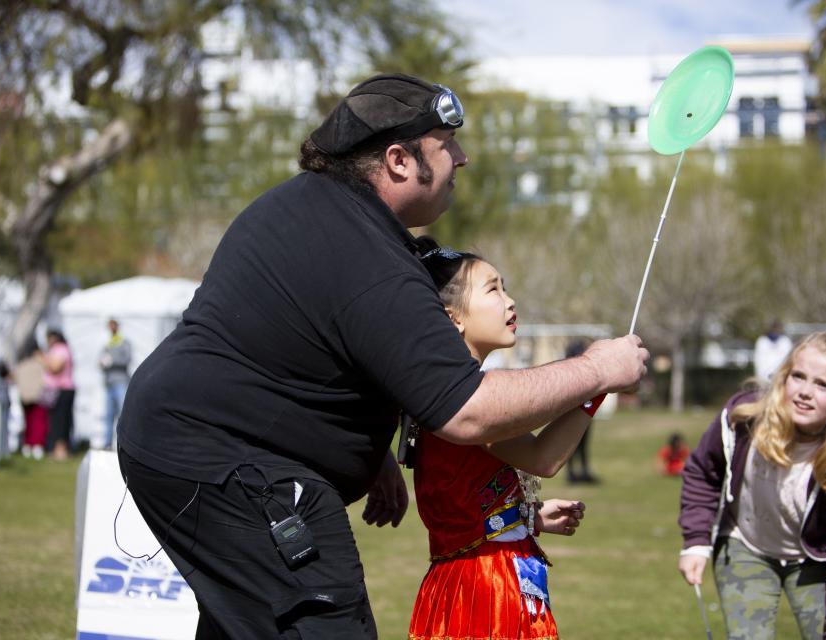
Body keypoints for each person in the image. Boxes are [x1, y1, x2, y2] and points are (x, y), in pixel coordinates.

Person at [117, 73, 649, 639]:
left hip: (192, 446)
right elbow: (468, 410)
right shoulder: (364, 250)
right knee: (326, 623)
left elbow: (310, 350)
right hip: (228, 459)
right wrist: (598, 368)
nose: (462, 159)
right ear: (399, 160)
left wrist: (373, 456)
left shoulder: (325, 215)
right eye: (448, 145)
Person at [408, 238, 589, 639]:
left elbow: (465, 505)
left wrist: (527, 517)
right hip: (481, 590)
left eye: (505, 287)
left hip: (482, 574)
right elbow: (544, 458)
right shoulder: (467, 400)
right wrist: (596, 384)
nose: (510, 301)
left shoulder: (449, 391)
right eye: (493, 289)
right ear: (452, 317)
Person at [678, 332, 826, 639]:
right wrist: (695, 541)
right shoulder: (743, 419)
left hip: (813, 561)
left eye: (823, 384)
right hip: (745, 546)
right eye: (799, 376)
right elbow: (702, 472)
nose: (806, 391)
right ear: (783, 376)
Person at [564, 338, 600, 484]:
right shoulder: (567, 371)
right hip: (571, 412)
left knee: (583, 444)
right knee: (571, 445)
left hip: (583, 411)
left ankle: (583, 472)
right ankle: (572, 473)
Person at [39, 329, 75, 461]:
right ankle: (55, 448)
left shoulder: (61, 349)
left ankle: (61, 450)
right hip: (57, 390)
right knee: (55, 421)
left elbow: (55, 368)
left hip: (62, 390)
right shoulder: (58, 349)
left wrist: (42, 359)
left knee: (60, 421)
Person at [98, 318, 131, 450]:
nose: (111, 328)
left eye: (113, 325)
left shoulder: (124, 342)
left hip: (121, 382)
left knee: (123, 414)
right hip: (109, 384)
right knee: (108, 415)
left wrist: (112, 362)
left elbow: (127, 359)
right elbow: (100, 360)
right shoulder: (107, 344)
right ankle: (107, 443)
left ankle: (124, 443)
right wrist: (102, 364)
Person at [14, 346, 48, 460]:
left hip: (27, 396)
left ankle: (30, 444)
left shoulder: (21, 364)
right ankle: (35, 445)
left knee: (31, 422)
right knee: (36, 422)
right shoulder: (39, 364)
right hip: (37, 396)